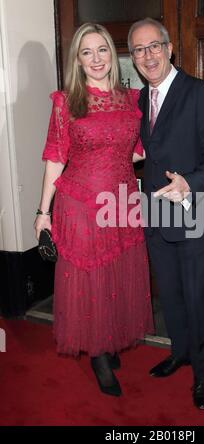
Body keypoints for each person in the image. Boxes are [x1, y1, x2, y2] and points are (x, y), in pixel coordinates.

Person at [34, 23, 154, 397]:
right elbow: (55, 158)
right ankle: (100, 354)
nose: (96, 58)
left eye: (102, 50)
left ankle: (111, 338)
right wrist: (42, 212)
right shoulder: (67, 101)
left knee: (117, 276)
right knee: (93, 280)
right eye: (87, 52)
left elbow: (138, 150)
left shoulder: (133, 99)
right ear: (78, 60)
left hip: (121, 204)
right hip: (81, 204)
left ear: (112, 55)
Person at [128, 18, 204, 410]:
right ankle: (181, 352)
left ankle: (203, 374)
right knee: (170, 294)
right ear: (134, 59)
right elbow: (142, 150)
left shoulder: (199, 93)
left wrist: (189, 182)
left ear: (169, 49)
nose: (147, 56)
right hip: (155, 213)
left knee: (196, 295)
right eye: (138, 50)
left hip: (193, 212)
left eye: (153, 46)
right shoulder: (139, 100)